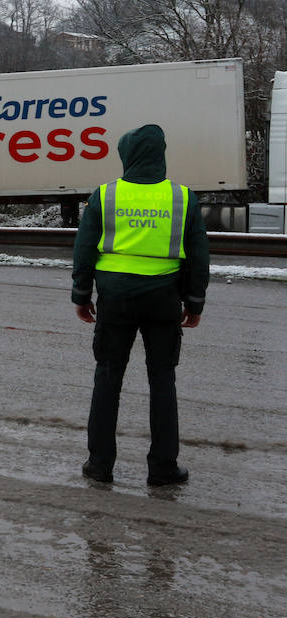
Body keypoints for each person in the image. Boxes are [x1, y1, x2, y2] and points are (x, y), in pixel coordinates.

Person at [72, 124, 209, 487]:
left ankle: (99, 465)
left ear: (126, 156)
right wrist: (195, 303)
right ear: (160, 155)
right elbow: (198, 255)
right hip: (163, 299)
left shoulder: (105, 196)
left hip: (114, 301)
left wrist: (82, 296)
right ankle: (163, 467)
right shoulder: (182, 197)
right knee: (162, 380)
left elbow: (85, 250)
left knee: (107, 378)